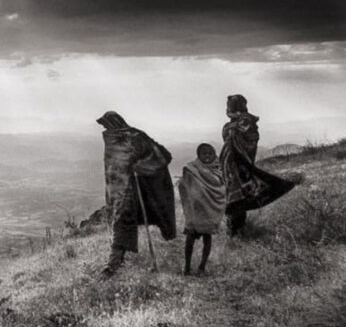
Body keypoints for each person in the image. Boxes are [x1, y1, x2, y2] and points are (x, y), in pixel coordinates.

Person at [97, 111, 177, 276]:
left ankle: (112, 265)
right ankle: (117, 261)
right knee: (120, 222)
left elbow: (162, 155)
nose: (104, 129)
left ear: (114, 123)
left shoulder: (135, 137)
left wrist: (141, 165)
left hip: (130, 190)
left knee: (121, 222)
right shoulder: (112, 140)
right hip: (116, 191)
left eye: (106, 125)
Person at [220, 95, 296, 236]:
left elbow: (249, 139)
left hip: (239, 165)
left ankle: (236, 231)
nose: (228, 108)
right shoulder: (236, 123)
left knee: (238, 197)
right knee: (234, 196)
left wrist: (233, 129)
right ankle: (234, 231)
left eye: (230, 105)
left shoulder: (244, 121)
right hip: (230, 167)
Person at [178, 144, 225, 275]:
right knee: (190, 238)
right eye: (204, 154)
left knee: (207, 238)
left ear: (214, 154)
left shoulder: (217, 169)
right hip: (196, 210)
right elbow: (185, 185)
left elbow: (221, 187)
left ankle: (202, 267)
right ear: (199, 155)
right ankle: (187, 267)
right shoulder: (191, 168)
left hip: (210, 211)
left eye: (210, 153)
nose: (207, 156)